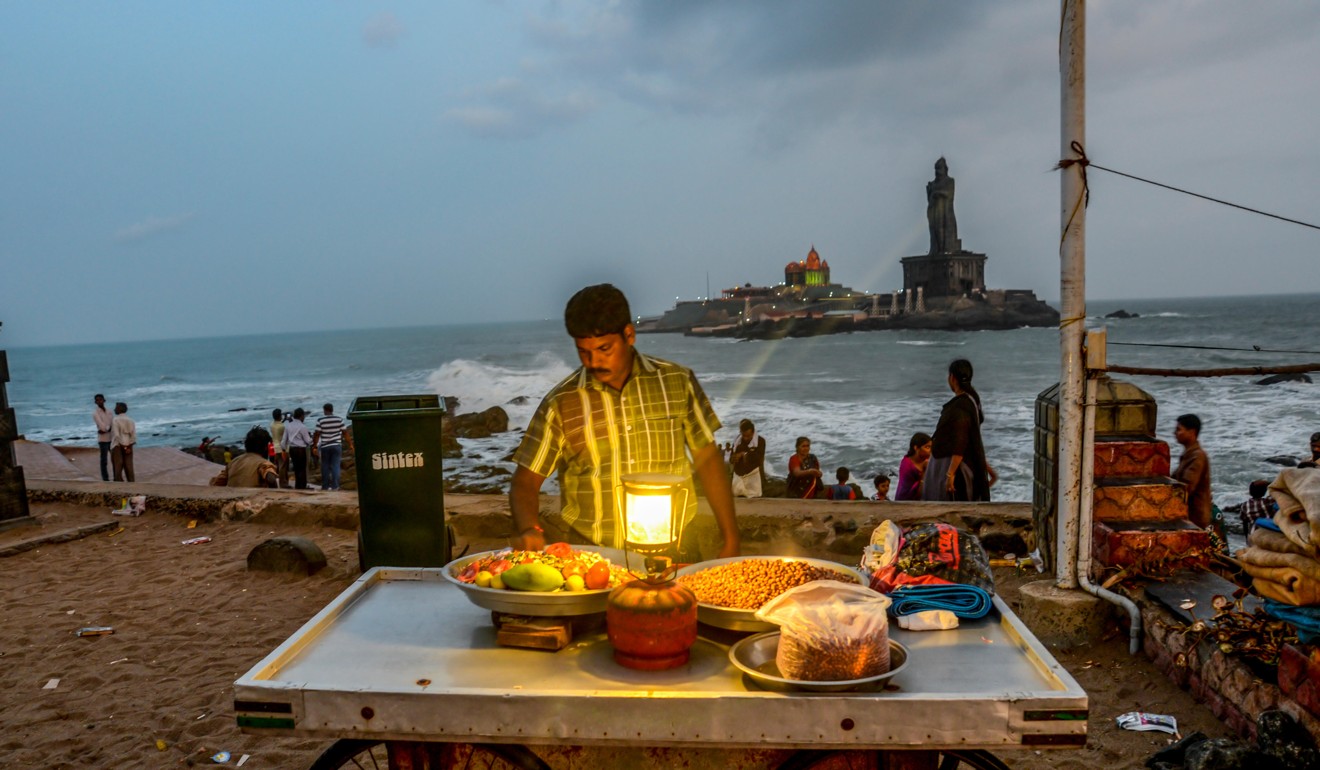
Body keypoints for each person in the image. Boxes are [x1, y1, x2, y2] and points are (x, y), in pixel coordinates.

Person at [509, 284, 740, 558]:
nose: (594, 361)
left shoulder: (678, 382)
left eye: (604, 348)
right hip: (592, 555)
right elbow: (525, 482)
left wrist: (730, 537)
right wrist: (530, 528)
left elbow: (708, 458)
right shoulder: (560, 402)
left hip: (676, 549)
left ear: (629, 335)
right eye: (584, 351)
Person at [923, 360, 996, 501]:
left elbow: (960, 441)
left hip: (957, 467)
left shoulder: (961, 406)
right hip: (963, 463)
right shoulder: (971, 400)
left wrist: (950, 474)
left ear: (952, 378)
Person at [1173, 414, 1213, 530]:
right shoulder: (1190, 454)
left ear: (1192, 432)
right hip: (1191, 516)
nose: (1175, 433)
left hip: (1196, 517)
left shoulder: (1197, 456)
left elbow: (1187, 487)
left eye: (1179, 430)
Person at [210, 426, 280, 487]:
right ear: (265, 447)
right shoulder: (263, 463)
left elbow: (217, 482)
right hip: (253, 500)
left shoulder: (233, 462)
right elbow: (271, 479)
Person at [313, 403, 351, 491]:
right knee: (336, 466)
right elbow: (345, 432)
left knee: (325, 466)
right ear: (332, 410)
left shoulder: (320, 420)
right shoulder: (339, 419)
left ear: (325, 410)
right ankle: (335, 486)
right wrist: (350, 444)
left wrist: (314, 446)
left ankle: (325, 486)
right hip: (336, 445)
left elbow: (317, 434)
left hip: (325, 446)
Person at [926, 157, 960, 255]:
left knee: (943, 229)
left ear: (945, 169)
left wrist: (937, 193)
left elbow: (949, 194)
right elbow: (929, 199)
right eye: (936, 169)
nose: (937, 171)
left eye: (939, 168)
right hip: (934, 212)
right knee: (936, 231)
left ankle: (944, 250)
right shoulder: (932, 184)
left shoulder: (949, 181)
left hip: (945, 212)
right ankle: (938, 249)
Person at [729, 419, 766, 498]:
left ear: (753, 432)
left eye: (748, 436)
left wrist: (744, 454)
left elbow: (758, 458)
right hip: (739, 476)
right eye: (743, 435)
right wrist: (734, 458)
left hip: (753, 476)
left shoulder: (761, 441)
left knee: (755, 500)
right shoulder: (737, 441)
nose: (745, 438)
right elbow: (731, 459)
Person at [282, 407, 313, 490]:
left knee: (296, 468)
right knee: (302, 469)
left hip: (292, 449)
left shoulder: (288, 426)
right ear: (301, 416)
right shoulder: (302, 427)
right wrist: (312, 440)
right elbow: (308, 441)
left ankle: (297, 486)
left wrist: (284, 449)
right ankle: (302, 486)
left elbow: (284, 440)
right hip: (300, 449)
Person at [895, 431, 932, 501]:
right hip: (905, 502)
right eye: (927, 447)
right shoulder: (907, 465)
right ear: (916, 448)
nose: (930, 450)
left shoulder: (926, 459)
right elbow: (915, 493)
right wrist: (924, 472)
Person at [110, 402, 136, 482]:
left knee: (118, 466)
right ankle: (132, 483)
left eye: (116, 407)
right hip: (128, 444)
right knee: (129, 466)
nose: (114, 409)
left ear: (119, 409)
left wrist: (123, 446)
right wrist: (128, 447)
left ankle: (119, 484)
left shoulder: (115, 420)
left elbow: (117, 435)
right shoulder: (131, 420)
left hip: (117, 445)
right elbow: (133, 436)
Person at [92, 394, 114, 481]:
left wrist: (107, 429)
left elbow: (113, 424)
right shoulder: (95, 413)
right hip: (103, 440)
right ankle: (105, 479)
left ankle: (117, 477)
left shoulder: (109, 411)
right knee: (104, 461)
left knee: (115, 460)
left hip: (112, 438)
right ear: (95, 402)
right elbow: (102, 427)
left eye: (100, 399)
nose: (99, 401)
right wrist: (108, 429)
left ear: (104, 400)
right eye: (97, 400)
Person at [268, 409, 288, 488]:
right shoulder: (282, 426)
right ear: (280, 416)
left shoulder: (272, 424)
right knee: (283, 466)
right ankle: (283, 483)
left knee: (279, 465)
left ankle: (283, 482)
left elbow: (278, 425)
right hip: (282, 448)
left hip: (276, 447)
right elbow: (285, 436)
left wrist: (283, 420)